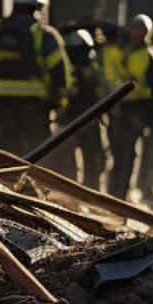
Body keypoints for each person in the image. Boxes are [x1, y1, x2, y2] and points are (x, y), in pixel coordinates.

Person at [0, 0, 70, 157]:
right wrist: (59, 103)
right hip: (32, 107)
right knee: (37, 158)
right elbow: (59, 73)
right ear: (36, 9)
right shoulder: (44, 35)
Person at [101, 13, 153, 199]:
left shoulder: (148, 55)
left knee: (128, 152)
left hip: (137, 109)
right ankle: (113, 193)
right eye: (136, 30)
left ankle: (123, 193)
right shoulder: (116, 51)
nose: (138, 34)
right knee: (116, 151)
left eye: (141, 31)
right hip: (117, 108)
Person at [46, 27, 109, 189]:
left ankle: (89, 196)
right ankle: (72, 197)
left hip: (87, 119)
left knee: (94, 161)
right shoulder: (70, 70)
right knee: (70, 164)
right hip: (71, 121)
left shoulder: (91, 70)